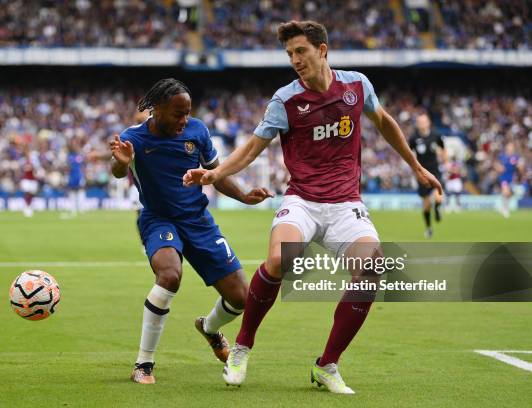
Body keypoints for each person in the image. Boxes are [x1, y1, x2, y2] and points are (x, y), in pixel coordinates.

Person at [184, 20, 442, 393]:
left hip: (345, 205)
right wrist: (216, 173)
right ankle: (241, 346)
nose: (295, 60)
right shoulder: (285, 100)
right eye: (290, 54)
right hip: (302, 200)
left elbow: (384, 122)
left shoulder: (357, 86)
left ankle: (327, 365)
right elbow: (254, 148)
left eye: (301, 51)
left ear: (322, 50)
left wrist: (416, 166)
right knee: (277, 260)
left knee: (372, 268)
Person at [110, 78, 272, 384]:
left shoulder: (197, 131)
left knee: (241, 297)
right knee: (170, 275)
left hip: (198, 219)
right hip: (158, 219)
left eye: (187, 112)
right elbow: (117, 170)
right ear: (156, 109)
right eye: (177, 113)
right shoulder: (135, 138)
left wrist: (243, 196)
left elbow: (217, 173)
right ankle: (143, 364)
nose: (184, 120)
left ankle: (209, 328)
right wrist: (121, 164)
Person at [408, 113, 446, 238]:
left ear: (428, 122)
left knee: (439, 194)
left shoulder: (436, 135)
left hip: (435, 171)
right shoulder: (413, 138)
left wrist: (446, 160)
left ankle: (438, 208)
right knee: (426, 204)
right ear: (417, 124)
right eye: (419, 122)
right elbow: (409, 153)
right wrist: (414, 168)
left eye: (424, 121)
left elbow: (443, 147)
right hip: (422, 174)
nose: (422, 124)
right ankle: (429, 228)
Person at [495, 142, 523, 218]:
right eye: (510, 146)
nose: (511, 148)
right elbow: (497, 165)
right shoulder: (502, 156)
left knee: (510, 194)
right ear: (507, 148)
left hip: (511, 178)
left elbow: (519, 167)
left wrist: (519, 168)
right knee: (506, 191)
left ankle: (504, 207)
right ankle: (505, 209)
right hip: (504, 177)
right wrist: (499, 168)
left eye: (512, 146)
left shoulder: (515, 157)